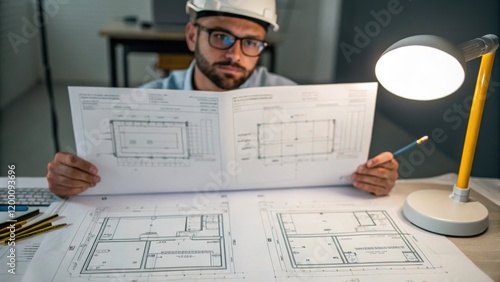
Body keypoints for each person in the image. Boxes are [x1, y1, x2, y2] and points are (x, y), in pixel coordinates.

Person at [47, 0, 399, 198]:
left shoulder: (292, 100)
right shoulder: (144, 103)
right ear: (191, 35)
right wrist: (68, 178)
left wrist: (372, 176)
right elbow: (95, 177)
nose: (236, 54)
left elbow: (341, 170)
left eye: (251, 43)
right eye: (221, 36)